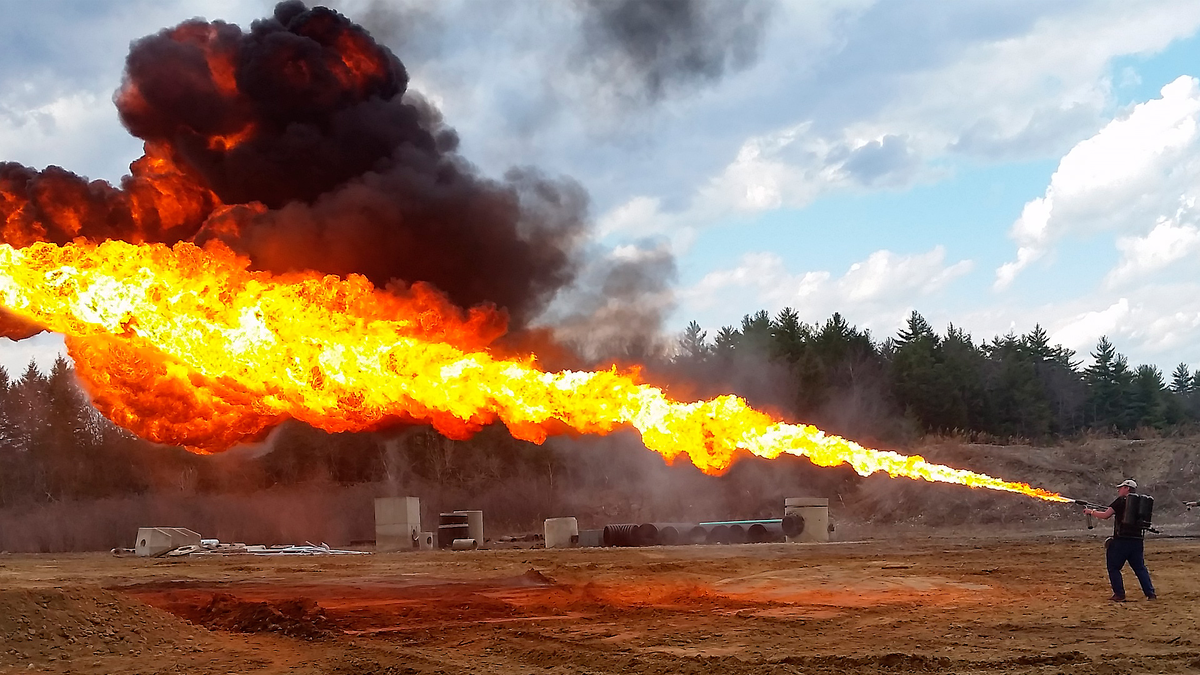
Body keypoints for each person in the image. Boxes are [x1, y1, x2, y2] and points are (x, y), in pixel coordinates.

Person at [1083, 479, 1156, 602]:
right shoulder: (1141, 502)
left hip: (1121, 540)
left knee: (1114, 567)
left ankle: (1119, 595)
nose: (1119, 489)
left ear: (1127, 488)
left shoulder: (1121, 501)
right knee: (1140, 568)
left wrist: (1091, 512)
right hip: (1137, 540)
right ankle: (1150, 594)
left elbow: (1106, 515)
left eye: (1121, 487)